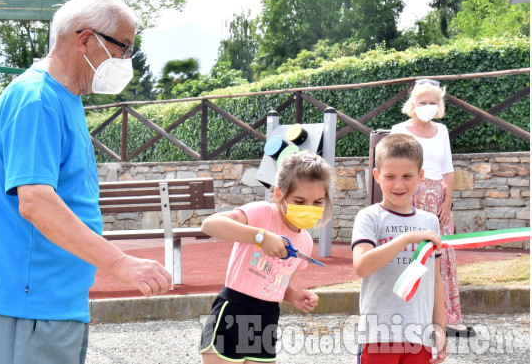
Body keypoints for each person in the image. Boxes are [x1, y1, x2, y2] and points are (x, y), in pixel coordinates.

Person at [0, 0, 172, 364]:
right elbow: (35, 202)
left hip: (52, 304)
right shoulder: (37, 101)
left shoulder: (62, 97)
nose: (127, 60)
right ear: (85, 40)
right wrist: (122, 264)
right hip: (29, 306)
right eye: (123, 48)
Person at [199, 150, 332, 363]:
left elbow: (276, 279)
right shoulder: (261, 213)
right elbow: (210, 224)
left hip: (267, 317)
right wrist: (261, 236)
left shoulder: (305, 242)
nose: (309, 208)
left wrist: (292, 295)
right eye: (299, 200)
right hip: (233, 309)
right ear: (279, 194)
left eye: (317, 202)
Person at [352, 133, 447, 364]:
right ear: (376, 176)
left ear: (420, 176)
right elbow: (362, 266)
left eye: (407, 176)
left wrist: (440, 329)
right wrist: (404, 239)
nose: (398, 184)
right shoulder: (369, 218)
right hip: (378, 335)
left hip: (419, 335)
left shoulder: (429, 222)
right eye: (390, 176)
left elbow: (435, 281)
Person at [391, 79, 473, 337]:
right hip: (410, 197)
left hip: (438, 202)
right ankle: (410, 315)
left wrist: (447, 202)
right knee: (411, 254)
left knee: (442, 256)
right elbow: (394, 169)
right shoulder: (399, 129)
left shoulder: (442, 130)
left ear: (439, 105)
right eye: (422, 102)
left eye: (432, 102)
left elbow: (448, 170)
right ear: (412, 104)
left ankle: (447, 316)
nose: (427, 106)